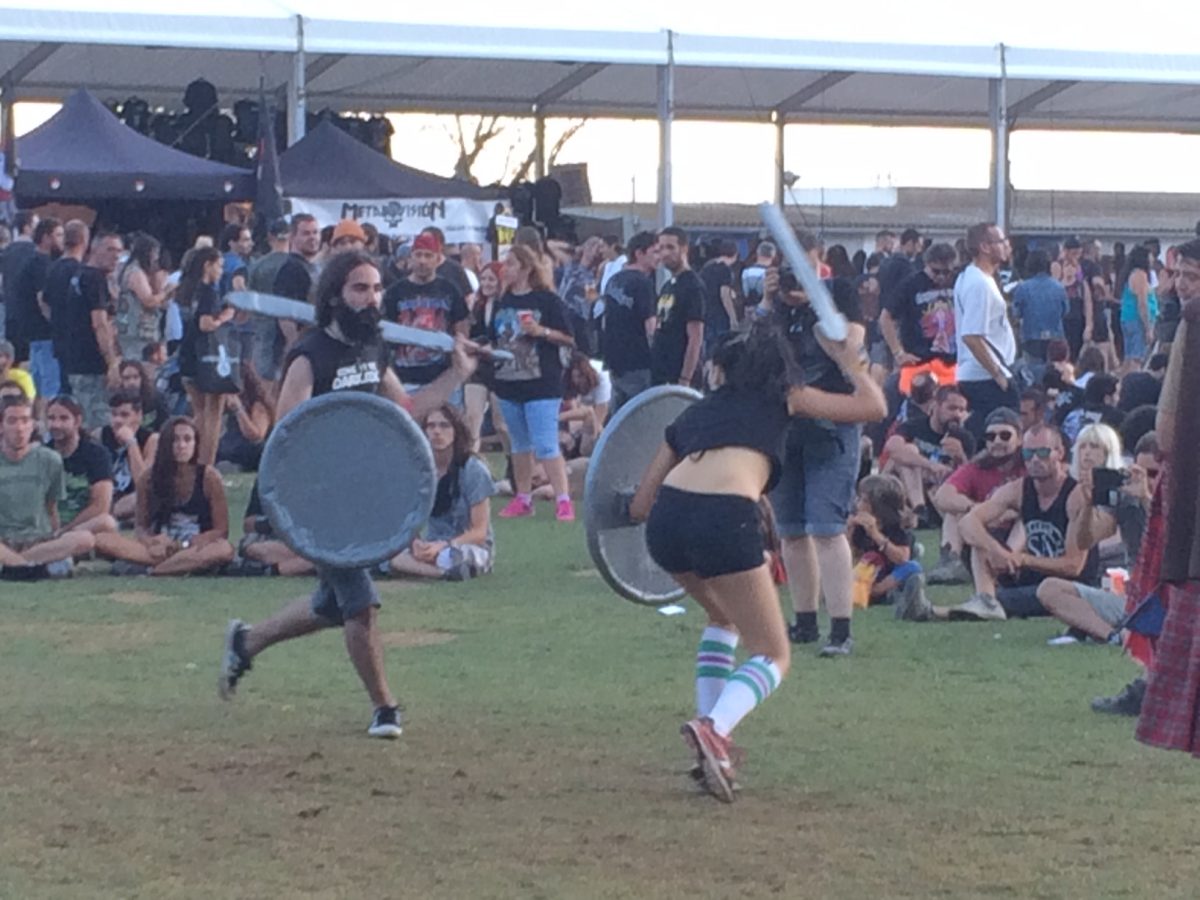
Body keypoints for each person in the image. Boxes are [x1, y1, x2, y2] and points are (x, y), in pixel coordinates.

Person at [217, 249, 478, 740]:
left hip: (354, 496)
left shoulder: (372, 348)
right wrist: (306, 501)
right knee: (360, 602)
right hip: (313, 501)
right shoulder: (309, 356)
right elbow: (287, 438)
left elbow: (403, 410)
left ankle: (246, 642)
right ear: (336, 295)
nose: (372, 298)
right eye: (361, 288)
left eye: (378, 288)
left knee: (331, 605)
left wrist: (456, 375)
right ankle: (385, 708)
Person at [628, 325, 885, 802]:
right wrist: (851, 362)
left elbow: (641, 504)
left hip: (666, 523)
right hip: (725, 517)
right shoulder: (787, 396)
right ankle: (714, 728)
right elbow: (873, 407)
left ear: (721, 370)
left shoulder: (693, 414)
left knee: (722, 617)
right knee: (773, 653)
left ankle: (712, 752)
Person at [760, 255, 872, 656]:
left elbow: (850, 345)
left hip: (833, 423)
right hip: (786, 426)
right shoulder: (773, 308)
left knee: (826, 526)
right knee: (790, 528)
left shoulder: (838, 292)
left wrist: (814, 303)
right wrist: (767, 304)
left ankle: (840, 629)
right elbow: (755, 354)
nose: (795, 279)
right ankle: (804, 620)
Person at [1136, 239, 1200, 755]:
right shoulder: (1183, 321)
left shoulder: (1192, 322)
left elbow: (1168, 423)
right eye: (1177, 274)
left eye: (1191, 274)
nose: (1180, 283)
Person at [952, 424, 1095, 621]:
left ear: (1060, 453)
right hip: (1028, 578)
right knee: (980, 543)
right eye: (1028, 454)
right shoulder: (1018, 489)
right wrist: (996, 550)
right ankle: (985, 601)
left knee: (1003, 599)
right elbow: (967, 522)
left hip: (1065, 587)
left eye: (1043, 452)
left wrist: (1022, 559)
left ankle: (972, 605)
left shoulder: (1075, 495)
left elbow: (1074, 566)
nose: (1035, 460)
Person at [1038, 431, 1160, 642]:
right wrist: (1087, 505)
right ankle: (1113, 636)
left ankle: (1116, 630)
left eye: (1153, 473)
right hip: (1136, 599)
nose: (1146, 480)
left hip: (1175, 598)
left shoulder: (1185, 496)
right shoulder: (1127, 496)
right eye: (1140, 472)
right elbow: (1086, 540)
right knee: (1049, 589)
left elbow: (1173, 543)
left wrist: (1147, 499)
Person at [490, 244, 576, 522]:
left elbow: (570, 337)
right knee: (519, 444)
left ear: (526, 268)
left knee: (545, 444)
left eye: (512, 264)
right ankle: (523, 497)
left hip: (542, 382)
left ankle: (563, 499)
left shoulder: (547, 300)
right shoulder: (502, 301)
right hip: (509, 380)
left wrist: (542, 331)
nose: (506, 269)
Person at [94, 416, 235, 576]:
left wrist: (191, 543)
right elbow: (141, 526)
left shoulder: (209, 477)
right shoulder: (148, 478)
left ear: (196, 444)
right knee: (102, 540)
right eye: (174, 440)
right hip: (159, 548)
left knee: (224, 549)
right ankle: (178, 566)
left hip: (194, 547)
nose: (181, 446)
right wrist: (152, 541)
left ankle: (157, 571)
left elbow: (221, 530)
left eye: (187, 440)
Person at [386, 405, 495, 581]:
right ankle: (440, 574)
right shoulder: (418, 472)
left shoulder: (473, 470)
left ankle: (426, 569)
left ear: (456, 431)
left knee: (451, 558)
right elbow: (407, 518)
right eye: (431, 426)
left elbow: (479, 532)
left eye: (444, 426)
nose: (437, 432)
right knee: (390, 554)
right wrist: (416, 543)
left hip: (466, 546)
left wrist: (444, 545)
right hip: (431, 544)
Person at [929, 407, 1025, 584]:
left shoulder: (1028, 466)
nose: (997, 441)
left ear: (1019, 439)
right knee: (955, 511)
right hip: (980, 531)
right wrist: (977, 511)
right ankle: (951, 561)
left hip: (1018, 535)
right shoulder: (978, 466)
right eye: (991, 436)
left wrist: (1004, 514)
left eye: (1005, 436)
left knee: (1025, 521)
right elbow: (943, 495)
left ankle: (1008, 563)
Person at [0, 395, 94, 577]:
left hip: (38, 541)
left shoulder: (49, 459)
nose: (19, 428)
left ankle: (15, 567)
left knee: (86, 539)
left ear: (33, 425)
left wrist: (55, 537)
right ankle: (28, 567)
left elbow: (51, 508)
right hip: (4, 540)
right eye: (12, 421)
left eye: (25, 421)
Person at [382, 232, 470, 397]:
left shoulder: (450, 289)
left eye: (428, 255)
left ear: (438, 259)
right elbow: (386, 334)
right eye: (418, 255)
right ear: (411, 258)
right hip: (405, 378)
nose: (422, 261)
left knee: (448, 422)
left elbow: (462, 331)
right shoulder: (395, 292)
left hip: (443, 378)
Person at [955, 223, 1019, 444]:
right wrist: (998, 374)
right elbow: (971, 335)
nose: (1007, 246)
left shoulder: (974, 277)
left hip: (985, 372)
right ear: (985, 247)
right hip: (985, 376)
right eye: (1001, 241)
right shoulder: (979, 284)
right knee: (1000, 437)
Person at [176, 247, 234, 466]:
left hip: (186, 356)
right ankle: (207, 464)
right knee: (213, 415)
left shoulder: (186, 290)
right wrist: (225, 317)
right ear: (207, 265)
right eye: (218, 265)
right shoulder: (208, 291)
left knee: (198, 412)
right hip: (207, 360)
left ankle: (191, 458)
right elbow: (206, 324)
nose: (221, 270)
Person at [62, 232, 123, 432]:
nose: (115, 256)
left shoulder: (79, 275)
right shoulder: (95, 278)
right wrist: (111, 362)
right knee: (96, 425)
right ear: (94, 249)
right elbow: (100, 323)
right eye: (110, 249)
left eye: (119, 251)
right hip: (91, 365)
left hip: (74, 361)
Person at [880, 384, 972, 517]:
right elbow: (892, 447)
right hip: (902, 488)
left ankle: (921, 511)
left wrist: (960, 456)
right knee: (908, 451)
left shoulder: (964, 438)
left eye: (961, 410)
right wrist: (930, 465)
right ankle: (919, 507)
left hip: (935, 489)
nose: (957, 414)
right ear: (936, 406)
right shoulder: (914, 426)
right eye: (951, 408)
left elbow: (969, 477)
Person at [879, 242, 958, 393]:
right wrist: (898, 353)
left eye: (947, 272)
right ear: (927, 264)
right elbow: (885, 317)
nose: (941, 277)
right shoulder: (911, 284)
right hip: (919, 362)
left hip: (952, 363)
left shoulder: (958, 283)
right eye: (936, 271)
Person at [848, 474, 929, 620]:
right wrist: (849, 530)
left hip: (891, 575)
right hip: (867, 572)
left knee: (913, 566)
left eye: (864, 500)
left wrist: (875, 534)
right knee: (870, 558)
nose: (858, 504)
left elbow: (902, 559)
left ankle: (879, 592)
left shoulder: (896, 529)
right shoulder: (858, 527)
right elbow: (852, 555)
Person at [599, 231, 658, 414]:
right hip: (637, 361)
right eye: (654, 252)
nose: (659, 257)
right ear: (639, 254)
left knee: (618, 416)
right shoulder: (643, 283)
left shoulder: (614, 280)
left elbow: (604, 319)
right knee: (639, 415)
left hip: (613, 359)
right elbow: (651, 325)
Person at [45, 395, 118, 536]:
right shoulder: (42, 454)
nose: (56, 424)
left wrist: (66, 530)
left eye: (63, 418)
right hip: (49, 525)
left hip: (81, 525)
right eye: (51, 418)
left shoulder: (97, 454)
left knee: (106, 522)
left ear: (77, 421)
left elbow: (100, 506)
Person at [10, 217, 64, 398]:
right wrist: (57, 324)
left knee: (38, 381)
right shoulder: (42, 264)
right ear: (46, 237)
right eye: (58, 235)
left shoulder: (31, 261)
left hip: (32, 331)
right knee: (50, 383)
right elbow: (43, 299)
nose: (62, 239)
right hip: (45, 332)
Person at [650, 227, 704, 387]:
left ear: (684, 249)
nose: (665, 253)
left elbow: (696, 336)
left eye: (670, 247)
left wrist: (685, 378)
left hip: (678, 375)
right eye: (661, 248)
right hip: (660, 372)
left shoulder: (692, 286)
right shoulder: (668, 285)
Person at [246, 217, 293, 389]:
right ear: (290, 236)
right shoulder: (296, 264)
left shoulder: (258, 266)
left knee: (264, 376)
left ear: (270, 237)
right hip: (292, 325)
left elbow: (250, 299)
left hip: (263, 324)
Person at [43, 220, 90, 394]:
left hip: (58, 337)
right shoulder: (81, 271)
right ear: (85, 240)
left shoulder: (53, 268)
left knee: (63, 385)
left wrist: (56, 320)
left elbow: (44, 300)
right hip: (80, 340)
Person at [100, 389, 158, 522]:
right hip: (108, 496)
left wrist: (132, 443)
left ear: (138, 416)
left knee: (144, 498)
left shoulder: (152, 440)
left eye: (125, 415)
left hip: (134, 495)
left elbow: (143, 484)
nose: (118, 420)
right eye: (114, 415)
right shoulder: (101, 435)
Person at [115, 233, 172, 362]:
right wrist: (166, 292)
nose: (156, 257)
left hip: (142, 331)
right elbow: (148, 301)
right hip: (135, 331)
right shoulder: (135, 272)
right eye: (154, 253)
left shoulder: (140, 271)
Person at [1011, 249, 1068, 363]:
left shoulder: (1023, 288)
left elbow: (1016, 313)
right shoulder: (1059, 287)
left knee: (1032, 373)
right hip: (1055, 338)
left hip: (1031, 338)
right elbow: (1065, 311)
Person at [216, 363, 274, 472]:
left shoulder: (258, 404)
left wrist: (238, 409)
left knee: (255, 448)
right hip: (230, 442)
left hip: (248, 447)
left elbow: (256, 436)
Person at [1, 211, 39, 355]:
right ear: (27, 228)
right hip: (31, 317)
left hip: (10, 315)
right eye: (36, 224)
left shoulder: (6, 253)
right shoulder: (36, 253)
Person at [698, 240, 740, 358]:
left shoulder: (706, 268)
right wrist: (733, 318)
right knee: (718, 350)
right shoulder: (725, 270)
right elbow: (724, 294)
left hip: (706, 312)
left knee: (706, 348)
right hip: (720, 315)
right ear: (735, 254)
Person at [1118, 245, 1157, 367]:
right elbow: (1142, 303)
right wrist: (1148, 328)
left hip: (1128, 318)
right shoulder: (1140, 275)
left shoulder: (1131, 274)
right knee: (1137, 357)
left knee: (1129, 357)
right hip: (1137, 320)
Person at [118, 359, 170, 431]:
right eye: (127, 378)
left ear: (142, 378)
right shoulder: (117, 402)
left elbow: (165, 424)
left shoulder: (156, 397)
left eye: (135, 377)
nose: (131, 382)